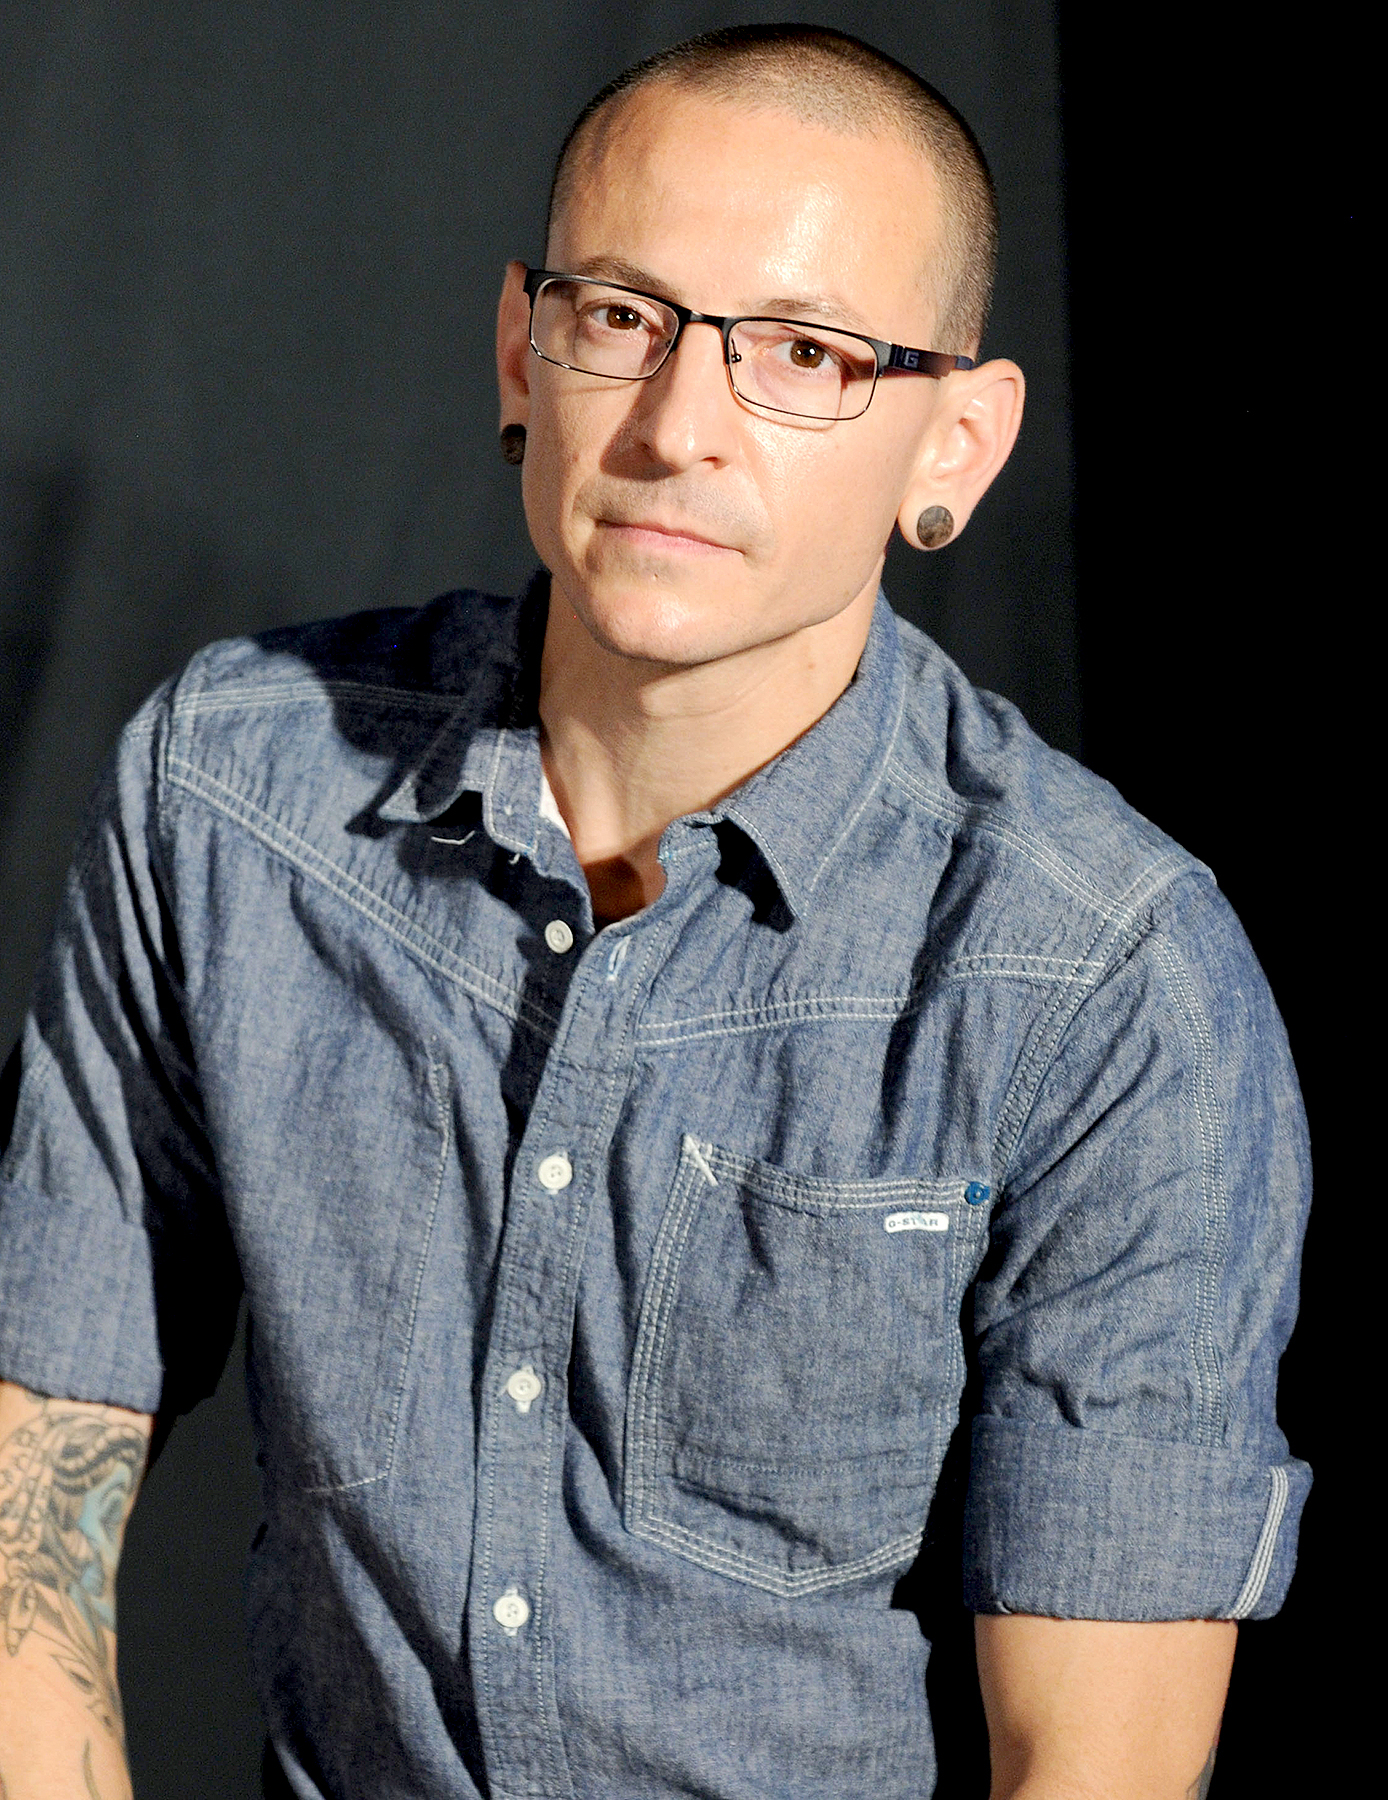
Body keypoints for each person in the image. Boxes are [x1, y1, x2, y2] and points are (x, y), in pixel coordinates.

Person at [0, 23, 1310, 1800]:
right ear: (520, 350)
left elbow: (1096, 1765)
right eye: (621, 316)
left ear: (958, 446)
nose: (679, 428)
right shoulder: (230, 801)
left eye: (806, 355)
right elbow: (33, 1490)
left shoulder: (1102, 980)